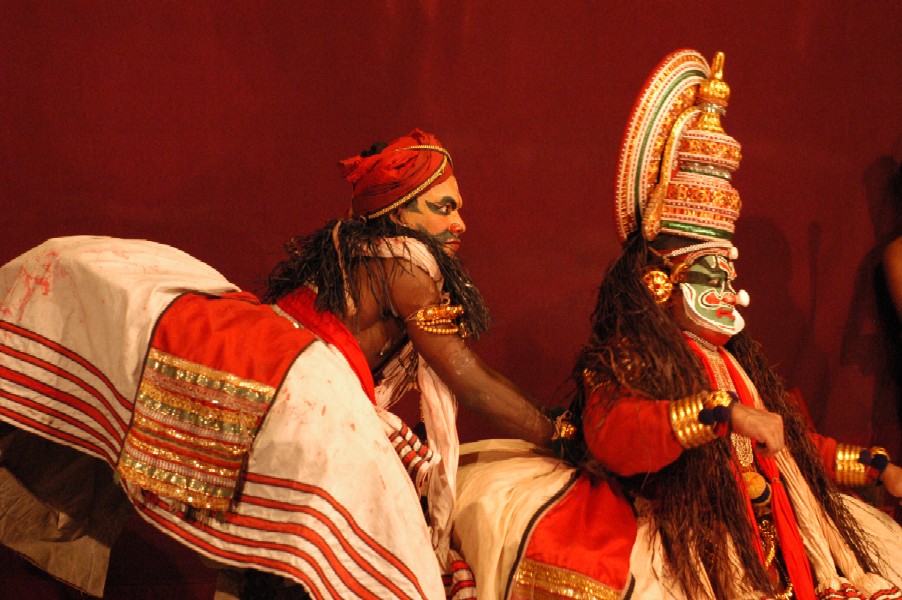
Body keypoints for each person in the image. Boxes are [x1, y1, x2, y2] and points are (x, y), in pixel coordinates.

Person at [0, 129, 552, 600]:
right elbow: (465, 374)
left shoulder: (349, 248)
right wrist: (557, 432)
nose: (460, 223)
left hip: (282, 386)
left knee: (263, 557)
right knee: (392, 565)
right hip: (309, 399)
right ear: (396, 211)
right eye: (444, 206)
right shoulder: (410, 263)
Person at [452, 50, 902, 600]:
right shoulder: (631, 357)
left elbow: (797, 448)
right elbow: (618, 435)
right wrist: (719, 415)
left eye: (730, 274)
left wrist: (875, 468)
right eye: (712, 275)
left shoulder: (736, 363)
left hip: (764, 545)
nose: (732, 292)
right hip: (682, 541)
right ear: (662, 282)